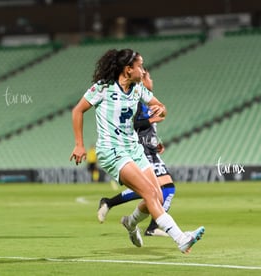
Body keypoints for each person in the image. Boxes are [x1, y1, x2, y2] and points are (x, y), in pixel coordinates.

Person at [70, 48, 204, 253]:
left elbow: (160, 106)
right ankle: (181, 238)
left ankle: (130, 223)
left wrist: (161, 109)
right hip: (112, 151)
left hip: (134, 149)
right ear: (127, 69)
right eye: (140, 66)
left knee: (157, 197)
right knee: (150, 193)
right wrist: (79, 144)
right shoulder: (103, 88)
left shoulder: (138, 89)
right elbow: (78, 110)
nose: (143, 70)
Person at [97, 70, 175, 237]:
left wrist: (155, 143)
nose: (150, 79)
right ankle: (153, 227)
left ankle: (110, 203)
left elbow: (147, 129)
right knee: (161, 188)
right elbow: (133, 124)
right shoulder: (135, 98)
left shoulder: (146, 101)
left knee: (156, 189)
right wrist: (151, 121)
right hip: (139, 149)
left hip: (149, 149)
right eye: (147, 76)